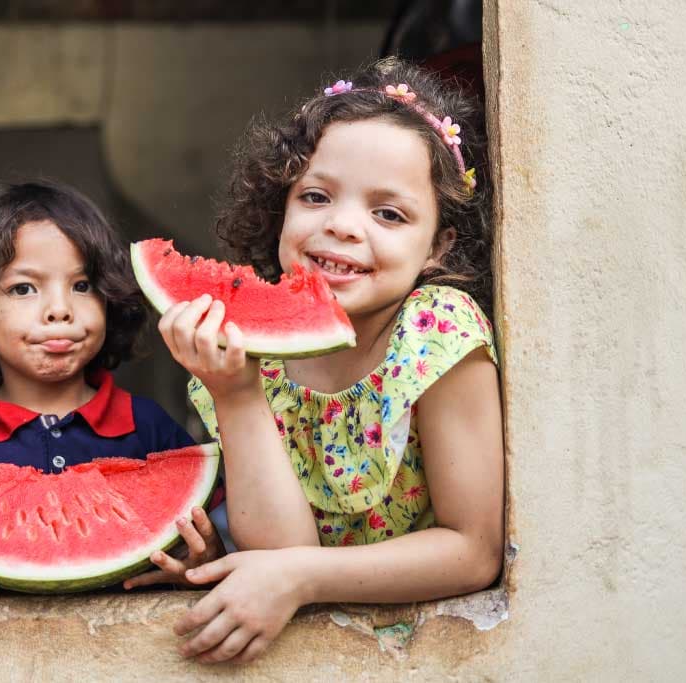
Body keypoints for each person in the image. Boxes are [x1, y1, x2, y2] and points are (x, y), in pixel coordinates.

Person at [157, 57, 504, 663]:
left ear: (439, 244)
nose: (342, 225)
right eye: (315, 197)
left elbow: (474, 550)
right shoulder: (249, 353)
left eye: (388, 213)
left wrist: (303, 578)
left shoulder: (436, 331)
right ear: (279, 208)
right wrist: (236, 394)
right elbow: (281, 548)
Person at [0, 180, 221, 593]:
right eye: (23, 289)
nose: (59, 311)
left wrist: (203, 558)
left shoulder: (150, 427)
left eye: (82, 286)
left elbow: (212, 547)